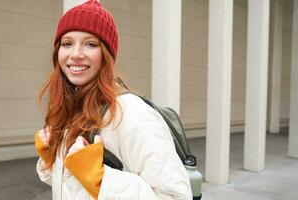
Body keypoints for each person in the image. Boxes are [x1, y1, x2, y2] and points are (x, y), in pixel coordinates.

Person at [34, 0, 192, 199]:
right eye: (67, 44)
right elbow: (74, 189)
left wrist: (98, 178)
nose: (75, 54)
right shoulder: (74, 107)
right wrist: (52, 158)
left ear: (106, 55)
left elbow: (175, 196)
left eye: (90, 44)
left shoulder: (129, 112)